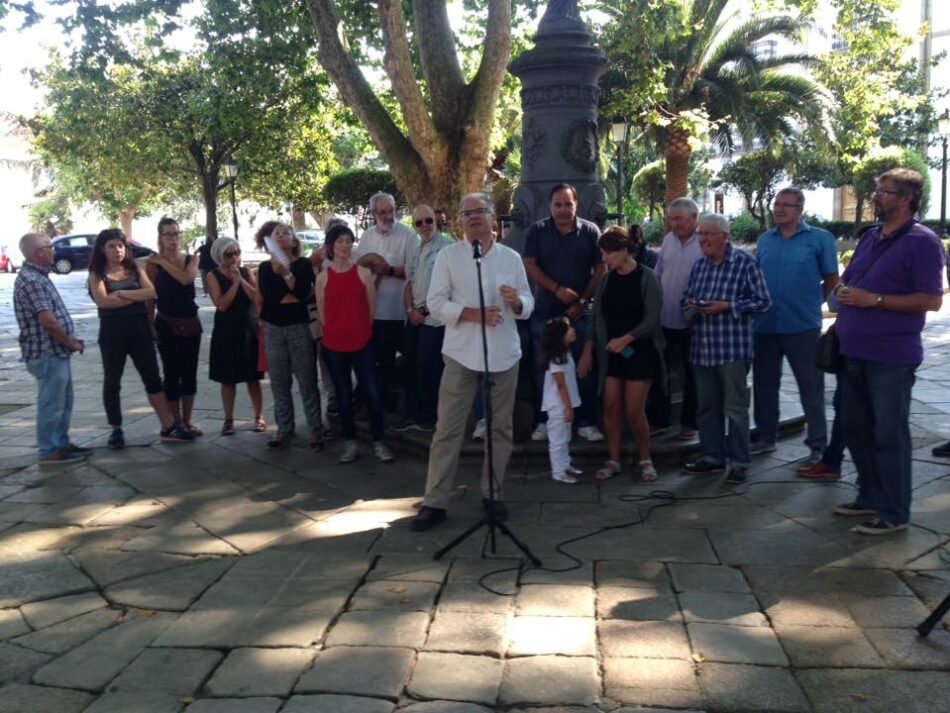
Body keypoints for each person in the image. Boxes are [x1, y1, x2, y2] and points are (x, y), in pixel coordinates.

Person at [411, 193, 534, 531]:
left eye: (480, 211)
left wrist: (518, 303)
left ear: (494, 218)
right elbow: (434, 303)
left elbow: (529, 301)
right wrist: (471, 314)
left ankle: (493, 495)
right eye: (467, 213)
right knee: (448, 429)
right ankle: (435, 502)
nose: (473, 218)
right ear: (459, 221)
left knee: (500, 430)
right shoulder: (449, 256)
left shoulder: (511, 258)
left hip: (503, 354)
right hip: (461, 353)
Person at [833, 168, 943, 535]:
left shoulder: (923, 242)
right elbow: (851, 280)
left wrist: (874, 300)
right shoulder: (869, 237)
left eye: (885, 192)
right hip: (853, 349)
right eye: (877, 190)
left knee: (888, 433)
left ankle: (894, 512)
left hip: (890, 357)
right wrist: (846, 294)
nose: (877, 196)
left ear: (907, 198)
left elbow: (931, 300)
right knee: (854, 427)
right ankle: (869, 496)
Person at [750, 188, 839, 463]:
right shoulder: (765, 240)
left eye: (785, 205)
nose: (778, 209)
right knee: (764, 385)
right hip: (765, 326)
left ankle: (817, 444)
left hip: (802, 326)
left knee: (810, 386)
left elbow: (832, 279)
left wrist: (812, 304)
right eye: (776, 204)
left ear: (800, 210)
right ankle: (766, 437)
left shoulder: (820, 239)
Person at [681, 214, 771, 484]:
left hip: (732, 351)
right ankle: (713, 456)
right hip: (702, 351)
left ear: (725, 236)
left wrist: (728, 306)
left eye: (708, 234)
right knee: (706, 408)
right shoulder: (700, 266)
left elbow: (764, 302)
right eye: (701, 235)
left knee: (735, 408)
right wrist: (692, 305)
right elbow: (686, 299)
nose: (703, 240)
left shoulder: (745, 264)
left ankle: (740, 461)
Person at [88, 228, 194, 447]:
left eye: (120, 245)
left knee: (153, 378)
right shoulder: (96, 274)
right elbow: (104, 302)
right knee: (112, 380)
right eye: (111, 246)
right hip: (112, 333)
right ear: (102, 249)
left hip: (139, 331)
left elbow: (151, 292)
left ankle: (168, 425)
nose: (117, 250)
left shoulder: (135, 269)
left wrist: (122, 293)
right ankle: (116, 429)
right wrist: (133, 297)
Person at [578, 226, 664, 483]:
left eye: (608, 253)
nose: (605, 259)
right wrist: (588, 348)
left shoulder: (646, 277)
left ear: (624, 250)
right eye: (603, 254)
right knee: (611, 406)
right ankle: (613, 459)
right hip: (612, 353)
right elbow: (595, 317)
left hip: (639, 351)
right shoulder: (606, 280)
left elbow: (653, 319)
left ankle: (645, 458)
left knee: (634, 411)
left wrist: (626, 338)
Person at [523, 183, 605, 443]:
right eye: (558, 205)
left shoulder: (591, 231)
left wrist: (582, 300)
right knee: (543, 369)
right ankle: (544, 421)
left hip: (578, 314)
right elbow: (529, 265)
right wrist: (556, 289)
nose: (562, 210)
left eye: (567, 204)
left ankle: (586, 421)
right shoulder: (537, 230)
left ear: (576, 204)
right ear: (550, 206)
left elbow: (601, 269)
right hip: (545, 313)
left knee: (583, 368)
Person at [315, 224, 394, 463]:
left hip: (363, 343)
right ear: (331, 245)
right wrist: (337, 331)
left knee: (373, 394)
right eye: (340, 241)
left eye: (348, 240)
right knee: (343, 396)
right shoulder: (323, 278)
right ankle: (350, 443)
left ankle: (379, 441)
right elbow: (322, 315)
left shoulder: (364, 274)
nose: (345, 245)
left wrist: (359, 329)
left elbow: (370, 310)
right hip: (334, 345)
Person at [14, 232, 87, 464]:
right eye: (49, 247)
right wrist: (70, 342)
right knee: (52, 404)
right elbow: (48, 321)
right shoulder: (33, 280)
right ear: (38, 253)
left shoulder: (39, 276)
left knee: (63, 401)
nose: (53, 250)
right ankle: (49, 450)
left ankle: (60, 443)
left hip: (55, 352)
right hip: (47, 352)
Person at [257, 223, 324, 449]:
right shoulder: (265, 268)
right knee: (279, 381)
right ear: (271, 240)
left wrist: (286, 274)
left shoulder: (303, 264)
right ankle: (284, 428)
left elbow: (304, 293)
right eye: (277, 233)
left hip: (298, 326)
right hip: (273, 327)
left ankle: (316, 429)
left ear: (295, 240)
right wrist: (291, 289)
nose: (282, 236)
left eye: (286, 232)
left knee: (307, 379)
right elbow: (272, 296)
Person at [353, 192, 419, 405]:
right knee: (373, 360)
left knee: (395, 361)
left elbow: (415, 270)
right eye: (383, 212)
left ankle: (383, 405)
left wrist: (389, 270)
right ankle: (372, 403)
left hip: (398, 311)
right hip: (373, 311)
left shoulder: (408, 235)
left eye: (391, 210)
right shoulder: (367, 236)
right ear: (373, 213)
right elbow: (360, 268)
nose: (389, 216)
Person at [395, 204, 453, 432]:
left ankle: (429, 417)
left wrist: (424, 312)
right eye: (419, 223)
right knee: (409, 366)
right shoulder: (416, 250)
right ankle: (411, 414)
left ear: (436, 221)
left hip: (434, 320)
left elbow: (449, 289)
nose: (425, 226)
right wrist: (410, 311)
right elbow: (408, 284)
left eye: (428, 220)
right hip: (414, 317)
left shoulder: (448, 248)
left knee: (427, 368)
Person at [651, 197, 703, 440]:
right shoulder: (668, 241)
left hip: (694, 323)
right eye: (671, 219)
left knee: (692, 373)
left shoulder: (705, 241)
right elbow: (658, 274)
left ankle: (689, 424)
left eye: (679, 219)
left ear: (694, 218)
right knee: (659, 370)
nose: (674, 224)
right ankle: (659, 420)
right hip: (664, 318)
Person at [146, 217, 203, 437]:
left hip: (190, 322)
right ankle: (174, 422)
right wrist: (149, 325)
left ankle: (187, 421)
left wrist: (163, 263)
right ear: (160, 237)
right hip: (166, 322)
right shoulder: (153, 265)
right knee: (171, 373)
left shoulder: (191, 259)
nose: (173, 239)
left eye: (176, 234)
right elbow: (150, 297)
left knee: (189, 373)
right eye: (168, 234)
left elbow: (186, 279)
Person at [206, 236, 265, 435]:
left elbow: (256, 297)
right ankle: (228, 419)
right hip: (226, 330)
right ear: (220, 256)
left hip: (248, 327)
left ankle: (259, 416)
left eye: (237, 253)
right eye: (229, 254)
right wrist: (233, 284)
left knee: (253, 378)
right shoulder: (213, 276)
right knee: (227, 378)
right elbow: (221, 304)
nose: (234, 258)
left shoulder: (246, 271)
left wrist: (240, 280)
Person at [541, 317, 583, 484]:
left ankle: (565, 464)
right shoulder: (557, 360)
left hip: (565, 405)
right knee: (558, 440)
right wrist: (568, 407)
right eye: (568, 329)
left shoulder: (565, 354)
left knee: (566, 437)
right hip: (559, 406)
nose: (573, 330)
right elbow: (560, 385)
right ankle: (558, 472)